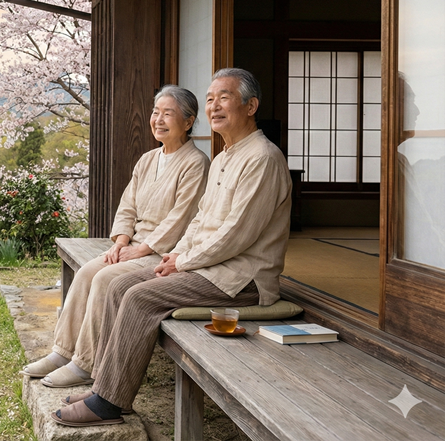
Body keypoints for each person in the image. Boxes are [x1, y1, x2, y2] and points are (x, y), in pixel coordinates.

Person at [52, 68, 292, 427]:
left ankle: (109, 404)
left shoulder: (262, 158)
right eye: (210, 99)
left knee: (139, 297)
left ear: (251, 105)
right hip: (208, 268)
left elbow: (236, 234)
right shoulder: (226, 156)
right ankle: (103, 384)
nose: (214, 106)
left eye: (224, 98)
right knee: (118, 284)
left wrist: (184, 262)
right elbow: (200, 220)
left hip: (242, 279)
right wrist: (178, 256)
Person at [21, 85, 209, 388]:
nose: (158, 120)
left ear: (188, 122)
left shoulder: (196, 163)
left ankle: (86, 364)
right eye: (155, 112)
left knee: (105, 279)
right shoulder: (147, 159)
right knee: (86, 273)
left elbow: (182, 219)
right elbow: (128, 206)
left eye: (168, 114)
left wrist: (142, 249)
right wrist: (121, 242)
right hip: (132, 246)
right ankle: (62, 352)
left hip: (164, 253)